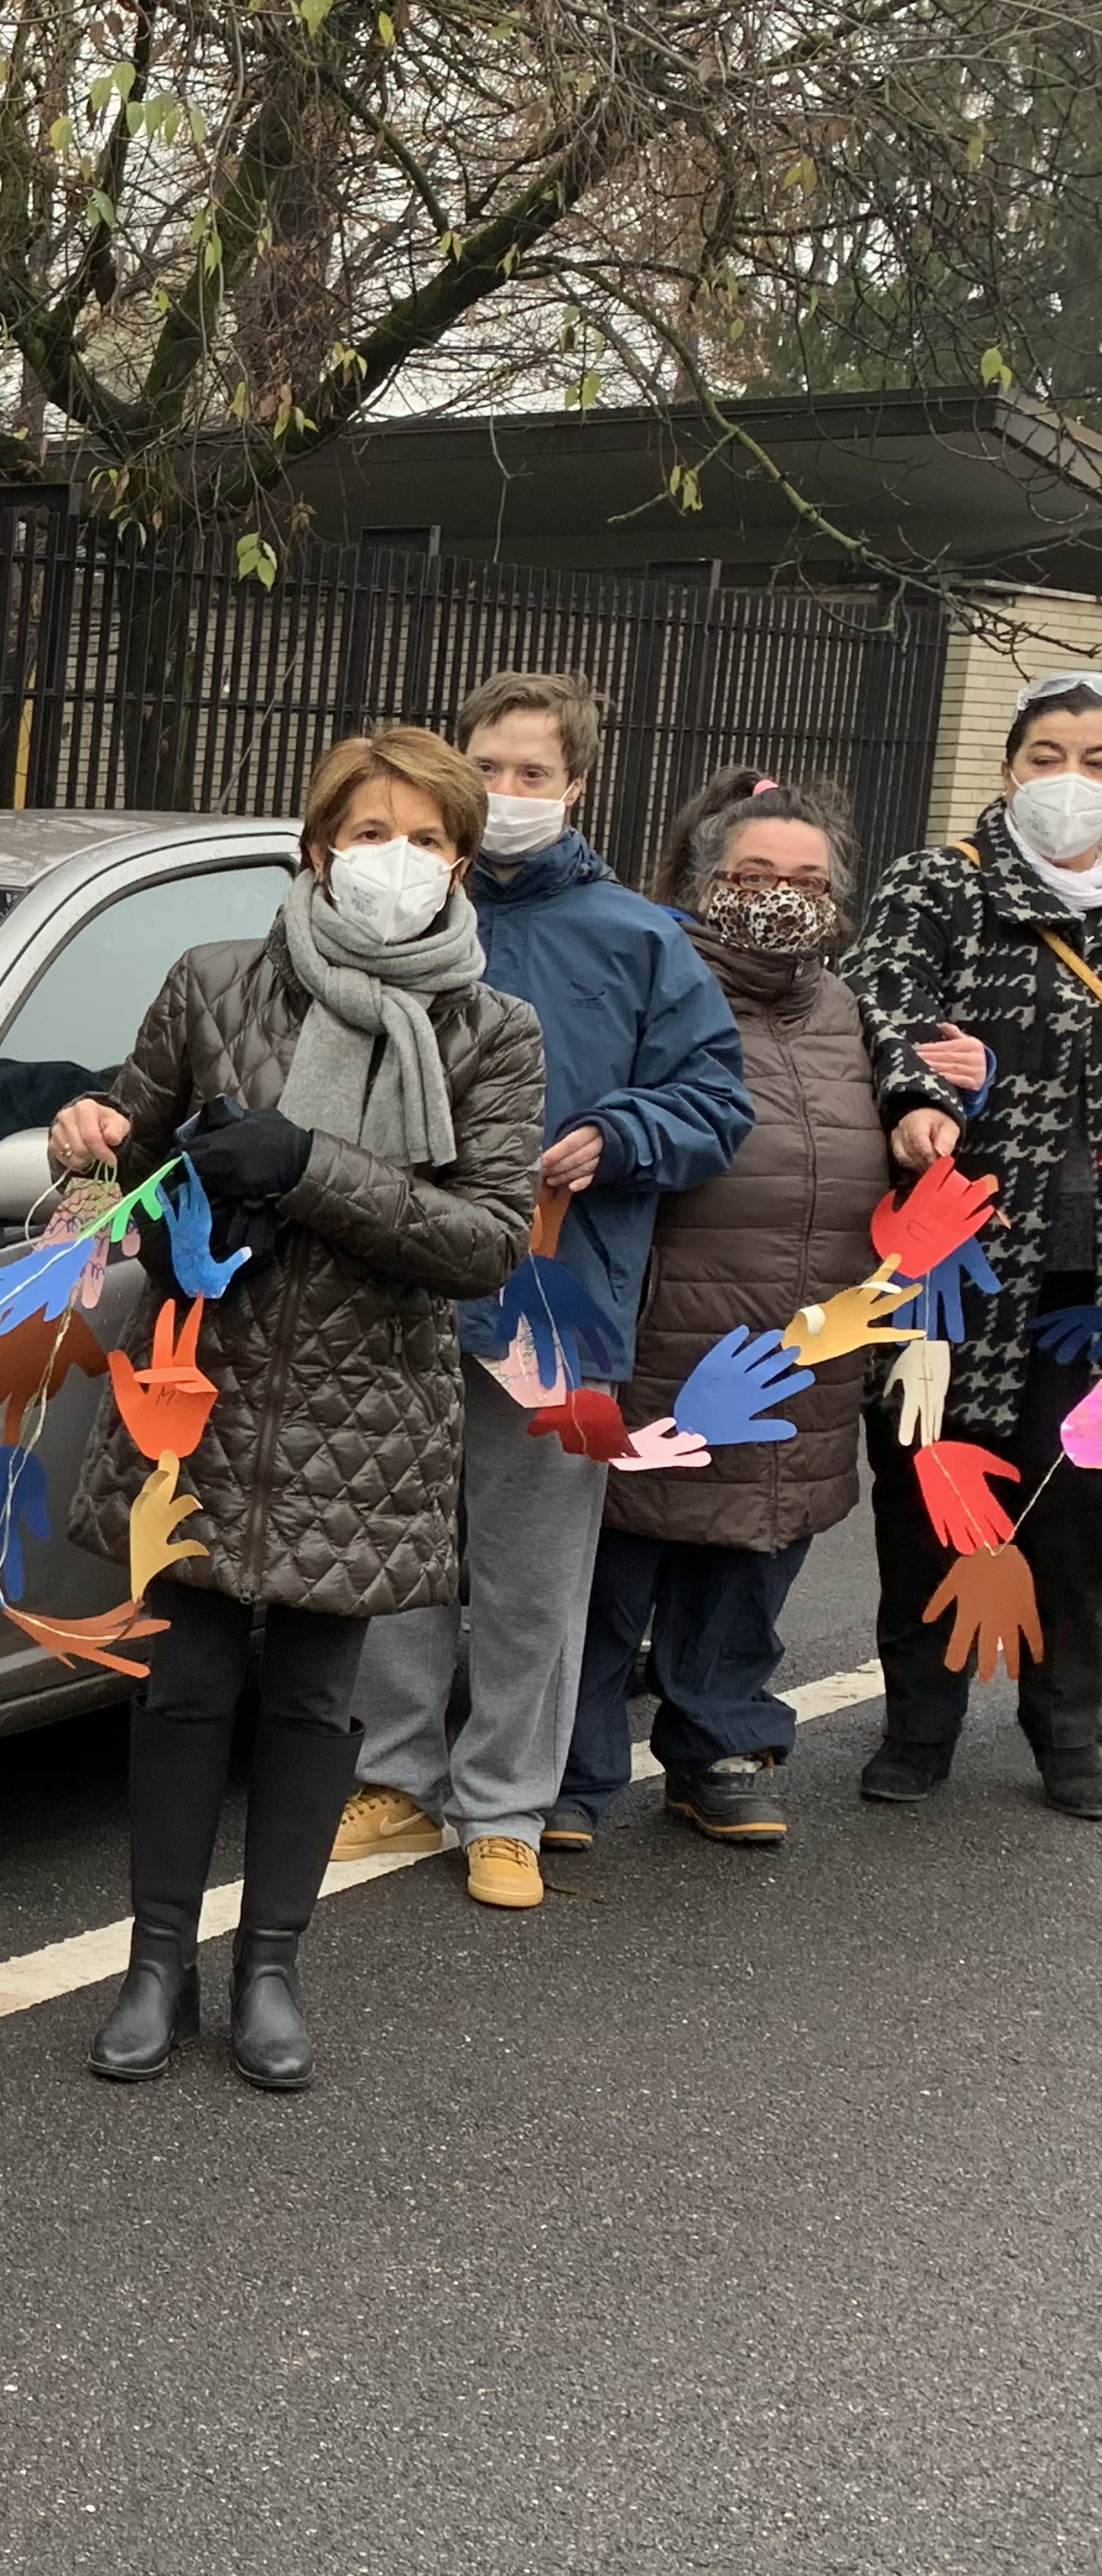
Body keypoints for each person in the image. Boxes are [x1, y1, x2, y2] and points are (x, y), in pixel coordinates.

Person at [49, 727, 545, 2090]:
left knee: (316, 1699)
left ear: (461, 863)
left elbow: (489, 1240)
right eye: (373, 833)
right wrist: (79, 1149)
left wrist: (310, 1165)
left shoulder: (491, 1031)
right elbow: (117, 1172)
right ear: (317, 845)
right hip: (196, 1398)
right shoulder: (212, 983)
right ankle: (157, 1965)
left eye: (431, 840)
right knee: (185, 1682)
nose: (400, 862)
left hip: (369, 1410)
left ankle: (270, 1969)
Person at [334, 673, 752, 1908]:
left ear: (579, 787)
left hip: (554, 1298)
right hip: (396, 1284)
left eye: (535, 774)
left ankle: (506, 1806)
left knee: (529, 1570)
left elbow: (715, 1103)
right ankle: (396, 1778)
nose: (509, 794)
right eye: (491, 768)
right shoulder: (390, 912)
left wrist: (618, 1135)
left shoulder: (639, 939)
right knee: (397, 1557)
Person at [556, 773, 980, 1846]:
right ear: (704, 883)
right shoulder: (650, 983)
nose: (780, 897)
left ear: (837, 900)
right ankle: (572, 1766)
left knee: (756, 1544)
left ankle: (720, 1747)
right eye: (754, 876)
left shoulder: (852, 1011)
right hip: (661, 1325)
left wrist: (939, 1105)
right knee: (619, 1554)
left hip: (808, 1336)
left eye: (807, 880)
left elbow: (919, 1101)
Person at [841, 671, 1102, 1814]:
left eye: (1096, 762)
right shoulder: (938, 885)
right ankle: (920, 1724)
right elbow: (879, 997)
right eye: (1047, 755)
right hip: (951, 1261)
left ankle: (1074, 1732)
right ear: (1008, 766)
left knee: (1077, 1507)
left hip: (1083, 1280)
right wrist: (910, 1096)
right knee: (928, 1495)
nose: (1069, 783)